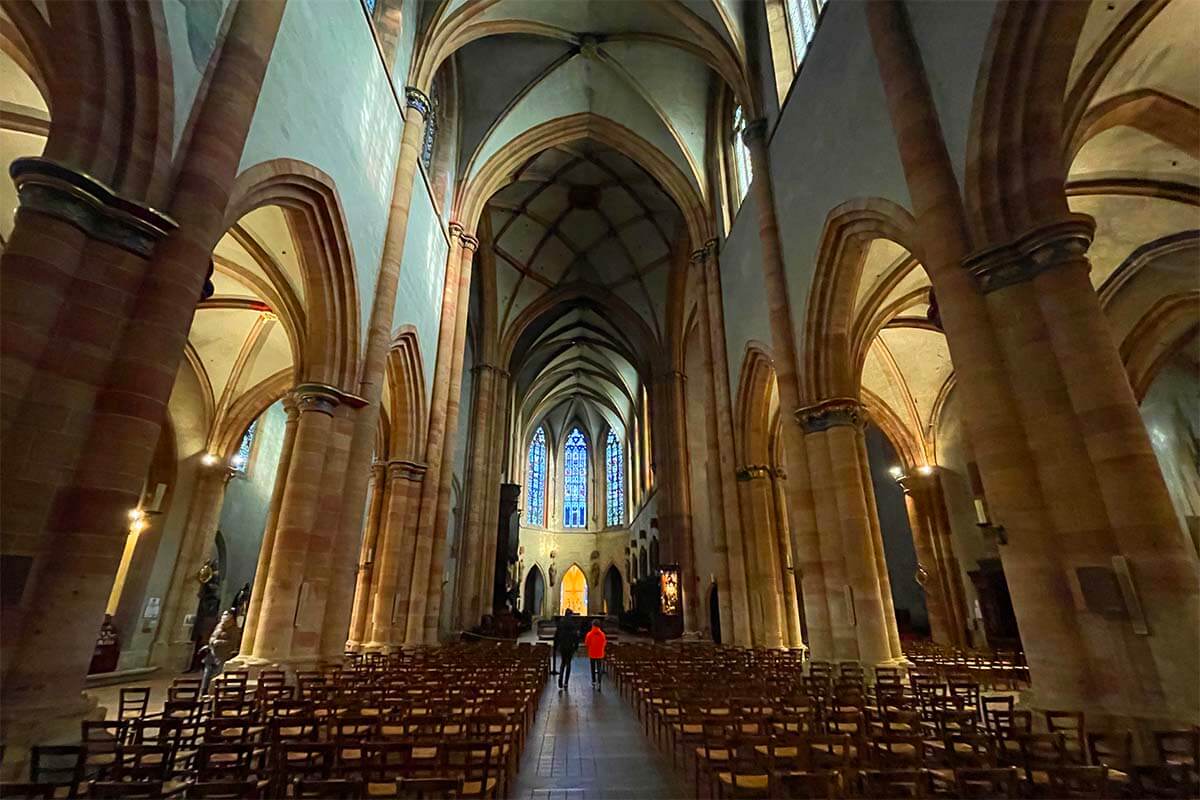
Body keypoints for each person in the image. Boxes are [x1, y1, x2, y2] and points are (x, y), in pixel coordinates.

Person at [199, 608, 240, 696]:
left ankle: (214, 693)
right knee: (206, 675)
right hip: (212, 654)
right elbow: (212, 636)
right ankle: (203, 693)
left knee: (217, 674)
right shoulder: (218, 626)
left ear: (231, 617)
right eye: (223, 614)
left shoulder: (234, 629)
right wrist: (212, 641)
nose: (224, 617)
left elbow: (233, 643)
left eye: (226, 615)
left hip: (223, 655)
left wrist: (219, 642)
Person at [554, 610, 580, 690]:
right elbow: (576, 636)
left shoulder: (561, 623)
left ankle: (560, 678)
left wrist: (556, 645)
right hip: (570, 646)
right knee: (568, 663)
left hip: (562, 645)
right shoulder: (573, 624)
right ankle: (566, 682)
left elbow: (557, 635)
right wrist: (576, 646)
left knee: (562, 662)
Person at [584, 620, 607, 690]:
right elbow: (604, 643)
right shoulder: (602, 634)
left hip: (592, 653)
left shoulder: (589, 634)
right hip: (600, 653)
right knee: (599, 668)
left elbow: (586, 643)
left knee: (592, 668)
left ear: (593, 625)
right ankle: (599, 682)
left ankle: (593, 681)